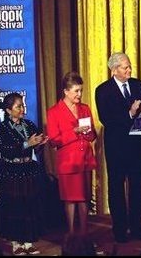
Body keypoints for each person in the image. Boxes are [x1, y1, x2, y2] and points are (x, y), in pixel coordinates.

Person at [95, 52, 141, 243]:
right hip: (117, 147)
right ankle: (119, 230)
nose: (129, 70)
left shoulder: (138, 84)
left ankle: (136, 228)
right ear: (114, 70)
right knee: (117, 188)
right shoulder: (102, 90)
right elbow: (107, 119)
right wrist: (130, 112)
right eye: (125, 67)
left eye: (129, 66)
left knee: (136, 188)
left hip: (136, 146)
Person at [0, 92, 49, 255]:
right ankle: (15, 243)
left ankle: (28, 242)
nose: (22, 109)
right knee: (15, 207)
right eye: (18, 106)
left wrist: (41, 143)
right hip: (11, 172)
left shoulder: (29, 124)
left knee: (29, 206)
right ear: (8, 110)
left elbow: (35, 148)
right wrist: (28, 143)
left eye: (22, 105)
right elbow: (6, 150)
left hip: (28, 171)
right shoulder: (1, 129)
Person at [47, 71, 97, 235]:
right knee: (70, 199)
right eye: (76, 91)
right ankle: (71, 236)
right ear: (66, 91)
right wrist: (74, 131)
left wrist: (89, 133)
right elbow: (54, 140)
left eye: (81, 90)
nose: (79, 94)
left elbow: (92, 135)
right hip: (68, 162)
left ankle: (84, 235)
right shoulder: (54, 112)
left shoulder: (85, 108)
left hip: (85, 160)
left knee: (84, 199)